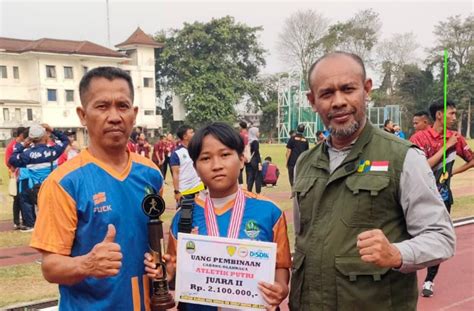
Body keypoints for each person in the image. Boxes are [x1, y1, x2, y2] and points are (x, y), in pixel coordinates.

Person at [289, 52, 455, 310]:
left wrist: (397, 254)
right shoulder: (305, 163)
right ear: (312, 101)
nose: (338, 102)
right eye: (326, 94)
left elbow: (441, 237)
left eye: (348, 89)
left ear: (367, 89)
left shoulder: (403, 158)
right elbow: (304, 239)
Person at [29, 67, 164, 310]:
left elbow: (153, 243)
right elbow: (50, 267)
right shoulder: (64, 183)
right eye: (102, 106)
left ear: (134, 114)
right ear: (82, 114)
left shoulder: (151, 174)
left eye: (122, 106)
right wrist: (87, 265)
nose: (114, 116)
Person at [145, 122, 291, 310]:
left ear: (241, 159)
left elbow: (281, 265)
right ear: (196, 168)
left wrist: (281, 288)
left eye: (225, 155)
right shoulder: (184, 216)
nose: (216, 165)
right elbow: (173, 266)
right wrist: (165, 272)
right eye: (205, 158)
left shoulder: (268, 211)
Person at [410, 100, 474, 297]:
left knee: (439, 239)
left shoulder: (456, 138)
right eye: (451, 114)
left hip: (443, 197)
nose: (454, 118)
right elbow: (421, 167)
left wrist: (454, 171)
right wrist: (446, 147)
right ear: (439, 115)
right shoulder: (419, 138)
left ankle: (429, 280)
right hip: (419, 196)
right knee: (413, 237)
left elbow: (473, 160)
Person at [9, 123, 69, 231]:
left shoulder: (27, 155)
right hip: (52, 188)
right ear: (45, 136)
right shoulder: (53, 151)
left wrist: (23, 145)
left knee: (35, 207)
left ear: (31, 139)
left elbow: (12, 160)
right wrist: (52, 129)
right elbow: (65, 140)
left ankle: (37, 228)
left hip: (36, 190)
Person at [170, 125, 205, 203]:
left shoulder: (197, 149)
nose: (194, 134)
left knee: (200, 214)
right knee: (186, 214)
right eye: (191, 132)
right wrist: (176, 192)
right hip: (185, 192)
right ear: (185, 136)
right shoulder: (176, 153)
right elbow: (175, 174)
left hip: (199, 189)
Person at [4, 126, 28, 230]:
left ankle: (25, 220)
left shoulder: (24, 145)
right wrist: (14, 169)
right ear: (21, 135)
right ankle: (16, 221)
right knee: (17, 198)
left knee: (24, 197)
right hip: (15, 175)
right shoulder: (12, 146)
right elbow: (7, 161)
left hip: (24, 174)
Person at [245, 126, 263, 194]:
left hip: (249, 161)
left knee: (251, 176)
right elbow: (256, 152)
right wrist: (259, 163)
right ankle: (258, 192)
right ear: (254, 133)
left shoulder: (249, 141)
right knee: (258, 176)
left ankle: (249, 191)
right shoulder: (255, 141)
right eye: (258, 132)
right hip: (255, 160)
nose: (259, 133)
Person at [238, 121, 249, 185]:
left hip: (242, 153)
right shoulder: (248, 134)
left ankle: (240, 185)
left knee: (240, 170)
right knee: (248, 171)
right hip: (248, 153)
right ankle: (248, 186)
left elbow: (239, 145)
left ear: (241, 127)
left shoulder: (241, 135)